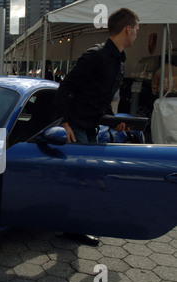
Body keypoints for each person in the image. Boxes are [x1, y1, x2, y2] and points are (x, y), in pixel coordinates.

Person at [54, 8, 140, 246]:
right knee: (86, 178)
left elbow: (100, 101)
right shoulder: (95, 55)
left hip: (92, 127)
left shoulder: (119, 63)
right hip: (77, 126)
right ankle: (74, 227)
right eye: (137, 30)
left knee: (85, 178)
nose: (137, 36)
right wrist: (64, 122)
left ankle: (72, 226)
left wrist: (115, 121)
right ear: (127, 29)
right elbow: (65, 88)